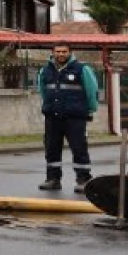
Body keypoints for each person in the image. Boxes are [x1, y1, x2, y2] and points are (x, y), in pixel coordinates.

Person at [37, 43, 100, 193]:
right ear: (53, 53)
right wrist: (48, 106)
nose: (61, 54)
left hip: (75, 117)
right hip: (52, 117)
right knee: (51, 148)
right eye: (58, 51)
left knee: (79, 148)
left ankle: (84, 180)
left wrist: (91, 109)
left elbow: (92, 90)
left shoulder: (82, 69)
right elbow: (42, 91)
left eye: (64, 51)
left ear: (70, 53)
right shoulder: (45, 70)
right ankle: (53, 179)